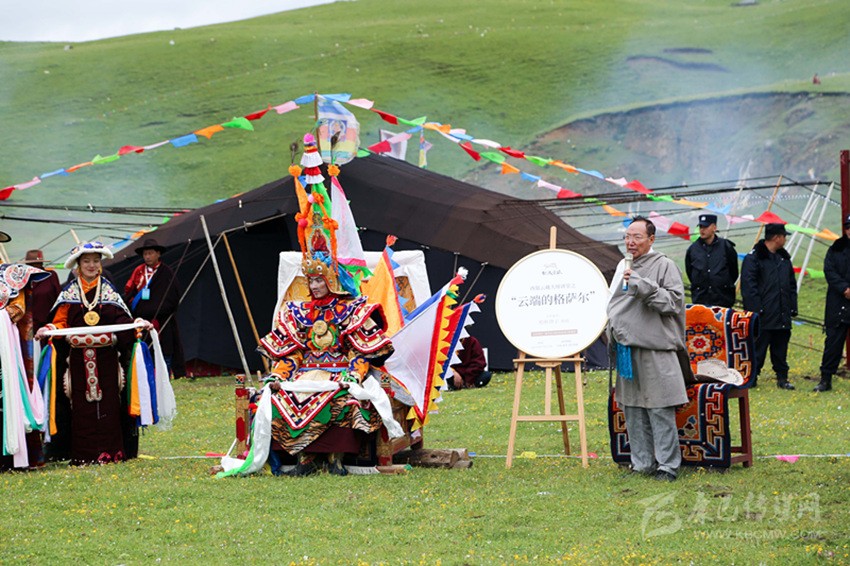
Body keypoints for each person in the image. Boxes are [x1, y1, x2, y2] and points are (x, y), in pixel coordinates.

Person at [35, 242, 151, 465]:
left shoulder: (108, 291)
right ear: (78, 265)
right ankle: (83, 455)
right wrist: (49, 329)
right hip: (77, 359)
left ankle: (113, 453)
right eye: (86, 261)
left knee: (110, 403)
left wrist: (136, 324)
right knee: (80, 406)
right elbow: (60, 321)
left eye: (96, 261)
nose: (91, 265)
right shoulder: (69, 293)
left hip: (107, 358)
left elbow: (122, 319)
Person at [607, 216, 688, 482]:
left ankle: (668, 466)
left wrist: (642, 284)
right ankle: (641, 464)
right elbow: (614, 303)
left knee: (659, 407)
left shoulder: (664, 265)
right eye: (627, 236)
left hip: (656, 348)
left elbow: (673, 303)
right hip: (626, 347)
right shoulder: (623, 265)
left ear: (651, 239)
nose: (630, 242)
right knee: (632, 408)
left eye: (637, 237)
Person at [740, 223, 798, 390]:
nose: (785, 239)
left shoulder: (784, 259)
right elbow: (749, 288)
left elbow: (791, 285)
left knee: (781, 348)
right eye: (784, 236)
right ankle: (752, 377)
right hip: (763, 314)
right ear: (777, 238)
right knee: (758, 348)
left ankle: (782, 378)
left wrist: (792, 307)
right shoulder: (753, 259)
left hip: (782, 312)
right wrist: (757, 311)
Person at [123, 238, 185, 379]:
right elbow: (129, 292)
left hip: (163, 321)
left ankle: (164, 380)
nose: (147, 257)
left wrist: (160, 310)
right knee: (144, 352)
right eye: (145, 254)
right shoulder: (138, 271)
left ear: (158, 254)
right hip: (141, 321)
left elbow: (173, 296)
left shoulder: (166, 272)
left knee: (165, 352)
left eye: (150, 253)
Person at [813, 215, 850, 392]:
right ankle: (825, 379)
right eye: (848, 227)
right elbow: (829, 271)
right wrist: (845, 289)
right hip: (838, 301)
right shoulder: (835, 249)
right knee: (833, 342)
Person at [684, 213, 738, 308]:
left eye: (705, 227)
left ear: (714, 228)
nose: (702, 230)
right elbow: (690, 272)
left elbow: (733, 272)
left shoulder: (726, 247)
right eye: (700, 227)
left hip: (723, 299)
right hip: (701, 300)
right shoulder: (693, 249)